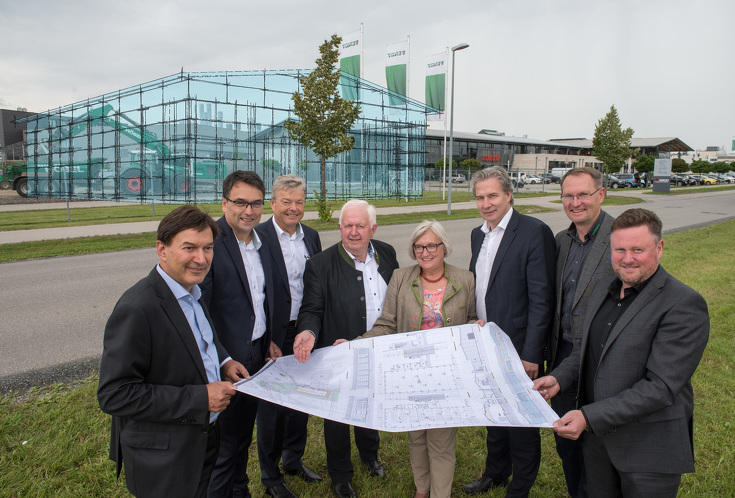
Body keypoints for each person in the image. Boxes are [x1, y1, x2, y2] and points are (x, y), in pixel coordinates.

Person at [534, 208, 709, 497]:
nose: (627, 258)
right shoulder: (603, 288)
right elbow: (584, 349)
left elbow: (661, 387)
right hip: (599, 441)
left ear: (659, 248)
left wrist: (588, 417)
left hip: (648, 447)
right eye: (620, 250)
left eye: (637, 250)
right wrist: (559, 378)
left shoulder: (683, 304)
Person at [97, 205, 249, 498]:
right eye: (189, 248)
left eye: (208, 248)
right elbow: (114, 394)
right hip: (165, 457)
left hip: (201, 439)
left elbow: (199, 340)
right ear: (162, 249)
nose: (201, 259)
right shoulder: (137, 308)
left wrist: (224, 361)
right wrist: (201, 398)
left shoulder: (192, 291)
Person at [336, 220, 481, 498]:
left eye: (431, 246)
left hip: (447, 376)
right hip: (410, 375)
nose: (425, 252)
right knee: (417, 437)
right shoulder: (401, 277)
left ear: (444, 247)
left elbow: (472, 319)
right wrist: (354, 345)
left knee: (440, 441)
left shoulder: (465, 279)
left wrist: (477, 327)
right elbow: (387, 324)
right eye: (418, 247)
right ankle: (421, 490)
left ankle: (439, 494)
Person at [292, 199, 399, 498]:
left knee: (370, 401)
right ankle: (340, 475)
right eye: (347, 225)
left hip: (378, 346)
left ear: (372, 229)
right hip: (339, 351)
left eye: (360, 226)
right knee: (338, 414)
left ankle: (369, 455)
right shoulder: (320, 265)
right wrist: (308, 331)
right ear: (339, 227)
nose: (353, 232)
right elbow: (311, 308)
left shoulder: (387, 253)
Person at [465, 166, 555, 498]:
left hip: (519, 347)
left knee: (522, 421)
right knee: (495, 414)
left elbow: (542, 298)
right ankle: (495, 472)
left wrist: (532, 354)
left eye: (492, 195)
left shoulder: (533, 231)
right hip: (487, 344)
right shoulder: (477, 234)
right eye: (480, 197)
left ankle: (520, 487)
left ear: (509, 194)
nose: (486, 203)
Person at [201, 170, 275, 498]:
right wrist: (223, 358)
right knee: (223, 446)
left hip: (256, 356)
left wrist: (270, 340)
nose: (249, 211)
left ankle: (240, 490)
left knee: (243, 436)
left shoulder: (262, 243)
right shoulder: (210, 244)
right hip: (224, 361)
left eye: (256, 203)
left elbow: (263, 299)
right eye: (241, 202)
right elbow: (198, 312)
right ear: (224, 203)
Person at [254, 175, 323, 497]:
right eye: (286, 202)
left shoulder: (312, 236)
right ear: (273, 203)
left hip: (304, 331)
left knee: (300, 400)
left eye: (299, 202)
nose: (293, 208)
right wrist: (266, 335)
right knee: (272, 407)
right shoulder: (258, 237)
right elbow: (255, 291)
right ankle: (270, 477)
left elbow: (315, 287)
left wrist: (313, 328)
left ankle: (293, 459)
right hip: (273, 335)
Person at [550, 167, 615, 498]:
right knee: (566, 440)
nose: (575, 202)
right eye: (568, 195)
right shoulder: (561, 241)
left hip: (602, 358)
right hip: (562, 355)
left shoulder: (620, 237)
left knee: (597, 442)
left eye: (583, 195)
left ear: (600, 194)